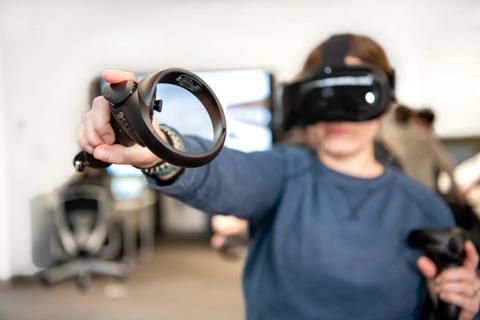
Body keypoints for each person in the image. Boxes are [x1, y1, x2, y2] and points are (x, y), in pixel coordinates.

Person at [76, 34, 480, 319]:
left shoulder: (424, 207)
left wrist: (462, 305)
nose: (337, 115)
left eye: (354, 98)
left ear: (384, 101)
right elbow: (225, 174)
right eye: (322, 97)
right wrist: (156, 145)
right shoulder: (283, 174)